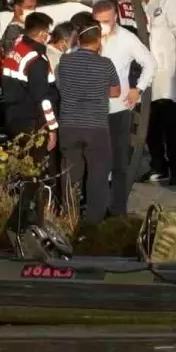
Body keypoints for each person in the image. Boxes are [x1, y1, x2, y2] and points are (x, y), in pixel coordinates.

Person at [94, 0, 156, 215]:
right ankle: (97, 208)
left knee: (119, 162)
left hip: (118, 109)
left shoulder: (127, 39)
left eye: (107, 21)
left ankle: (118, 209)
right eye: (99, 21)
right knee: (97, 163)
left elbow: (149, 63)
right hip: (93, 110)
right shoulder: (90, 37)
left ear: (115, 18)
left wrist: (138, 89)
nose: (103, 25)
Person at [55, 23, 122, 225]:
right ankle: (94, 220)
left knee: (70, 174)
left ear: (78, 40)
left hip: (68, 125)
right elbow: (116, 92)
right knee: (98, 175)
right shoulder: (106, 64)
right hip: (96, 126)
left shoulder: (64, 61)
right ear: (99, 40)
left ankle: (70, 216)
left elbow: (60, 85)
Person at [133, 0, 176, 185]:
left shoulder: (168, 2)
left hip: (165, 72)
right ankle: (158, 166)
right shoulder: (139, 5)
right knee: (150, 124)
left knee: (169, 123)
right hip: (146, 72)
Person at [1, 12, 59, 148]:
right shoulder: (36, 60)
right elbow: (43, 98)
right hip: (33, 123)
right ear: (42, 34)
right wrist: (51, 128)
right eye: (48, 33)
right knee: (39, 165)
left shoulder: (16, 50)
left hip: (13, 118)